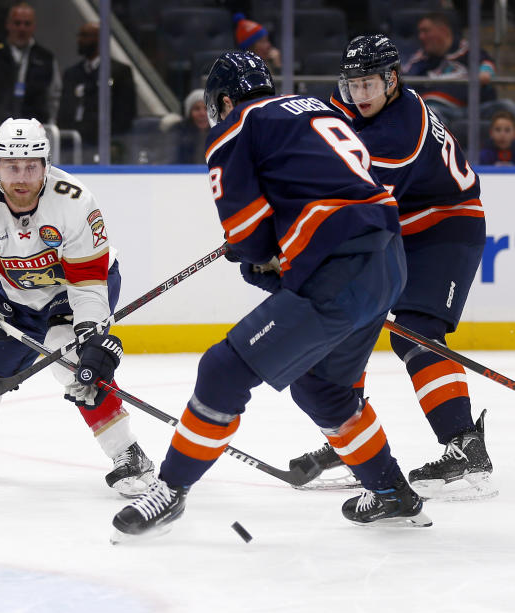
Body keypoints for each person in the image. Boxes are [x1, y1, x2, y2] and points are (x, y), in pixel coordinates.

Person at [111, 51, 430, 541]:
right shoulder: (317, 110)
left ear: (222, 99)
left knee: (222, 369)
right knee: (322, 389)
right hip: (388, 260)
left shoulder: (236, 126)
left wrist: (254, 259)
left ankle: (169, 490)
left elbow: (247, 235)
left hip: (339, 265)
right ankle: (391, 493)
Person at [290, 35, 492, 501]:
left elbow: (354, 204)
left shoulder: (400, 136)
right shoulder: (352, 102)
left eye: (368, 85)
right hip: (400, 223)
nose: (358, 95)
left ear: (392, 80)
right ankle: (352, 440)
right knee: (347, 322)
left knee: (414, 331)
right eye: (352, 84)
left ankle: (465, 446)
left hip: (446, 225)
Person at [0, 117, 156, 497]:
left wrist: (90, 333)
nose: (21, 177)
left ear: (46, 165)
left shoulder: (75, 203)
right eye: (11, 166)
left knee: (75, 362)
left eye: (31, 166)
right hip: (17, 301)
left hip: (79, 290)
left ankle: (129, 454)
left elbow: (88, 283)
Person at [57, 21, 136, 160]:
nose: (79, 40)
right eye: (80, 35)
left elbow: (125, 114)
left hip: (103, 147)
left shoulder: (119, 72)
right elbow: (64, 111)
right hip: (71, 146)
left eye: (85, 36)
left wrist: (110, 141)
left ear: (101, 39)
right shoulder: (72, 73)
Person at [403, 11, 497, 125]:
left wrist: (485, 73)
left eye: (426, 31)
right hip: (438, 111)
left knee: (507, 106)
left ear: (443, 31)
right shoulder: (420, 59)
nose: (421, 36)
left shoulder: (467, 50)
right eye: (420, 32)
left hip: (474, 109)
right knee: (428, 116)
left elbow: (487, 63)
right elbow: (404, 80)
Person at [174, 88, 211, 164]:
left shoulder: (222, 137)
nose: (202, 114)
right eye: (197, 109)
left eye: (206, 109)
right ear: (189, 114)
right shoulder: (177, 136)